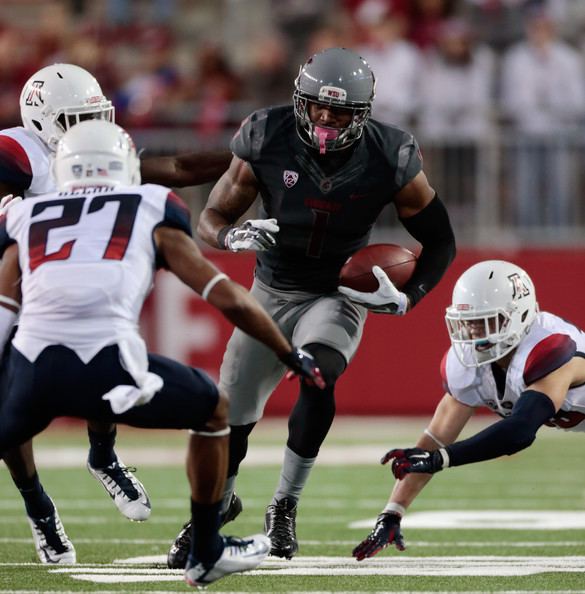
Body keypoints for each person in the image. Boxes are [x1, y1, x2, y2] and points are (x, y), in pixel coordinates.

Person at [0, 119, 324, 586]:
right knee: (214, 411)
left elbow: (4, 309)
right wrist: (288, 351)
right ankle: (206, 550)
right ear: (125, 164)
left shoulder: (24, 215)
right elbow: (224, 294)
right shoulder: (149, 206)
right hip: (112, 374)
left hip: (31, 375)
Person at [166, 46, 456, 565]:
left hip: (336, 292)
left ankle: (284, 506)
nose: (324, 117)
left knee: (319, 375)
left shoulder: (390, 154)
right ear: (301, 99)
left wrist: (410, 296)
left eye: (338, 110)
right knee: (230, 416)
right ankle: (218, 507)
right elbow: (210, 215)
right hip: (270, 291)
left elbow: (440, 241)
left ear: (361, 115)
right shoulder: (265, 134)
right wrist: (231, 236)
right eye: (317, 105)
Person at [0, 62, 231, 563]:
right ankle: (40, 509)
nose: (91, 128)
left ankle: (102, 455)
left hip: (77, 288)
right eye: (76, 119)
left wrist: (249, 157)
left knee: (108, 360)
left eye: (94, 115)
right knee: (9, 406)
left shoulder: (90, 153)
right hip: (21, 294)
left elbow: (177, 169)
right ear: (42, 121)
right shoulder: (19, 152)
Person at [352, 259, 585, 560]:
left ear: (520, 315)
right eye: (468, 322)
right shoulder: (468, 364)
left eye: (485, 321)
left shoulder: (550, 348)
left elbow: (519, 431)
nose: (473, 332)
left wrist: (441, 460)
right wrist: (392, 513)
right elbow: (433, 441)